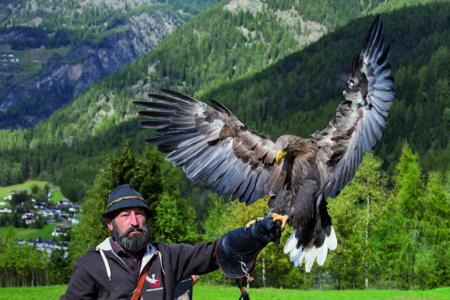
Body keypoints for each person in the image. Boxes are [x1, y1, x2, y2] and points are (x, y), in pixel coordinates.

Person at [61, 184, 282, 300]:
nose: (134, 222)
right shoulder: (90, 265)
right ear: (110, 224)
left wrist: (252, 234)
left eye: (139, 214)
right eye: (125, 215)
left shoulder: (166, 256)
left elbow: (212, 252)